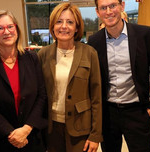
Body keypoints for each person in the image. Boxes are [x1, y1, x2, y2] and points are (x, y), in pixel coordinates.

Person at [87, 0, 150, 152]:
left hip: (137, 112)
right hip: (108, 114)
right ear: (98, 12)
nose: (109, 11)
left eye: (113, 5)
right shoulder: (94, 42)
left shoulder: (145, 34)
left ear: (122, 6)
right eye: (103, 8)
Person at [0, 10, 47, 152]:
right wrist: (12, 134)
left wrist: (26, 129)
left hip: (30, 138)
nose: (6, 32)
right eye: (0, 28)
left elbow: (41, 96)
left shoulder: (32, 58)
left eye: (10, 26)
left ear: (17, 29)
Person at [38, 3, 102, 152]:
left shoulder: (90, 53)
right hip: (51, 127)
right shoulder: (43, 54)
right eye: (59, 22)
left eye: (70, 22)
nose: (64, 26)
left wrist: (95, 135)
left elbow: (96, 97)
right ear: (52, 26)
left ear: (77, 28)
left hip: (81, 128)